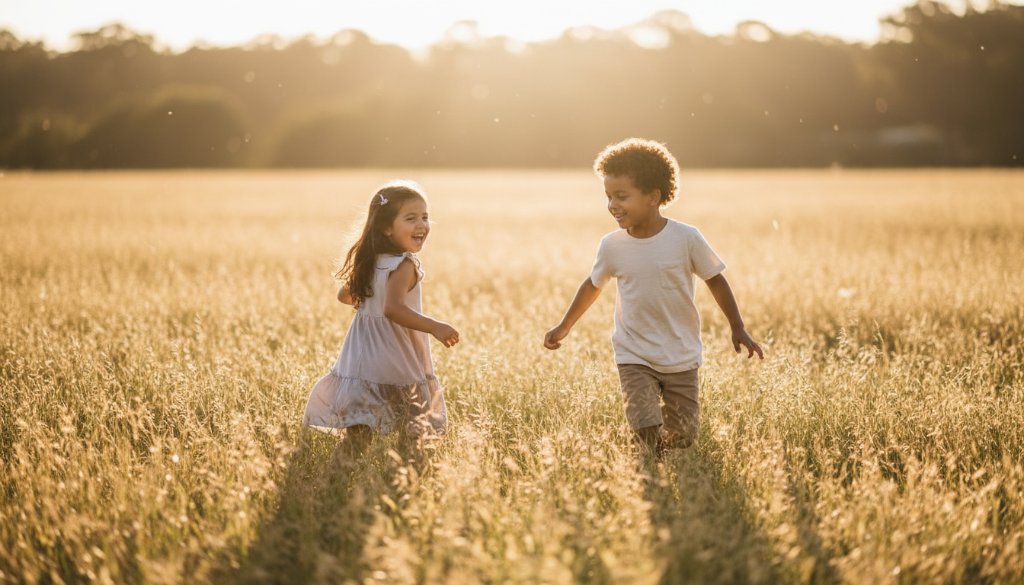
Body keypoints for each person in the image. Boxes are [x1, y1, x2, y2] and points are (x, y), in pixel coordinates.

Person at [543, 138, 763, 455]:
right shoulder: (612, 245)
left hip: (680, 353)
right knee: (645, 428)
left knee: (683, 437)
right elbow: (593, 285)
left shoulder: (685, 238)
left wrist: (737, 326)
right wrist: (564, 327)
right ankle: (649, 469)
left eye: (621, 196)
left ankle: (661, 449)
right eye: (608, 197)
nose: (612, 205)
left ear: (653, 197)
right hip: (634, 352)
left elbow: (715, 280)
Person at [303, 181, 459, 457]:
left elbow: (345, 296)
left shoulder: (371, 261)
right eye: (410, 218)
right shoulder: (404, 264)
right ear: (387, 228)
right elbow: (394, 309)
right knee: (415, 426)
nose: (421, 224)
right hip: (393, 355)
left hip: (361, 357)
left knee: (359, 433)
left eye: (424, 217)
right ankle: (406, 477)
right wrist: (435, 326)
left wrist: (369, 302)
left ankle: (337, 477)